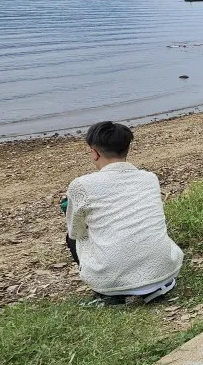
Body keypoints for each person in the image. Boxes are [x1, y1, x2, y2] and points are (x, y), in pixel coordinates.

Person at [62, 121, 183, 305]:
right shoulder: (149, 178)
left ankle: (108, 292)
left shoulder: (81, 185)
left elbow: (75, 231)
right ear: (127, 148)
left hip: (111, 282)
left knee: (74, 238)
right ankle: (149, 283)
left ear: (94, 153)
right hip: (165, 271)